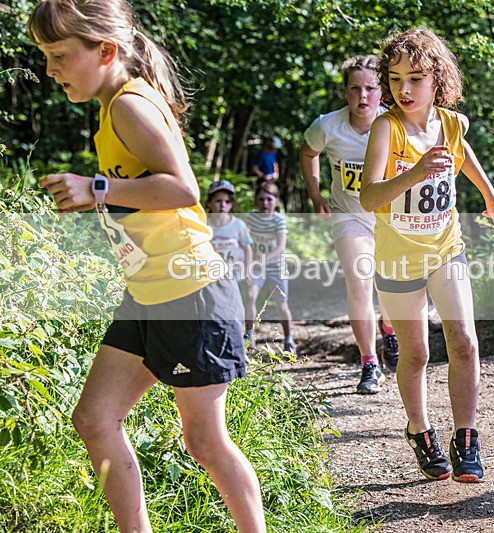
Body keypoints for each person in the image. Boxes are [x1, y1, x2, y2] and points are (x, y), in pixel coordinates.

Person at [29, 1, 266, 531]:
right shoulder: (112, 105)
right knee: (94, 419)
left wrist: (95, 190)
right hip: (149, 292)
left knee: (203, 441)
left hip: (190, 292)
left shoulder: (131, 105)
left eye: (60, 55)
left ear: (106, 50)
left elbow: (183, 188)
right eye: (47, 56)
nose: (50, 69)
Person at [360, 28, 494, 483]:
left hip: (446, 248)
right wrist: (417, 172)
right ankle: (420, 430)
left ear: (437, 80)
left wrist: (489, 193)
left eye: (416, 78)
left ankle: (466, 439)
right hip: (398, 257)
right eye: (396, 78)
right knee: (417, 352)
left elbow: (462, 156)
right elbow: (368, 197)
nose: (405, 89)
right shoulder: (387, 128)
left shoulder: (450, 123)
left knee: (463, 340)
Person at [300, 55, 399, 395]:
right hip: (348, 214)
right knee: (360, 281)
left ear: (381, 91)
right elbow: (308, 152)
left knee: (387, 284)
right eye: (355, 88)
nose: (363, 96)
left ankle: (389, 328)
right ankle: (369, 362)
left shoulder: (395, 122)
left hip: (390, 219)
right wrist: (316, 196)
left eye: (371, 88)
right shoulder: (327, 126)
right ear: (345, 91)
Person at [244, 182, 295, 353]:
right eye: (261, 199)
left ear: (277, 201)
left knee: (281, 304)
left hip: (276, 265)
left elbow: (280, 247)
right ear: (256, 201)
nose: (265, 203)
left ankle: (288, 338)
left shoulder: (278, 219)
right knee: (250, 296)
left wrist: (263, 260)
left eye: (268, 199)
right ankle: (249, 333)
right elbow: (245, 238)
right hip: (256, 264)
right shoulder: (251, 216)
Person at [205, 180, 255, 340]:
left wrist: (247, 271)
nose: (222, 205)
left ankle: (246, 335)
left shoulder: (238, 225)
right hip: (211, 275)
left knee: (238, 306)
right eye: (218, 201)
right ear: (209, 203)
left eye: (227, 202)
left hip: (235, 274)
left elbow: (248, 248)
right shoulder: (205, 225)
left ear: (231, 204)